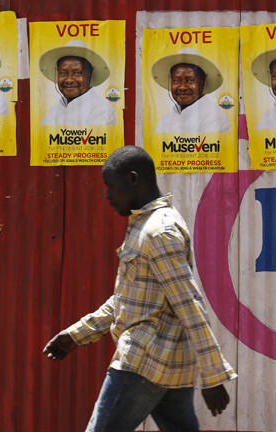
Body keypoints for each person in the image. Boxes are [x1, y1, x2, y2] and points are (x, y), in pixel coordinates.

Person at [44, 146, 237, 432]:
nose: (107, 196)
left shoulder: (159, 231)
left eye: (111, 186)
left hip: (142, 363)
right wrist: (78, 334)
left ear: (133, 179)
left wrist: (212, 374)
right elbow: (129, 298)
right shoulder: (145, 225)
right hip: (168, 365)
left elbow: (189, 303)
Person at [151, 47, 230, 133]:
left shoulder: (215, 117)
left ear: (203, 81)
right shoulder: (165, 121)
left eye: (190, 80)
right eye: (177, 81)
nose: (182, 87)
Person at [38, 40, 116, 126]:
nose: (69, 80)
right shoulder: (53, 113)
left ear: (90, 75)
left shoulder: (102, 110)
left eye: (76, 73)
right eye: (63, 73)